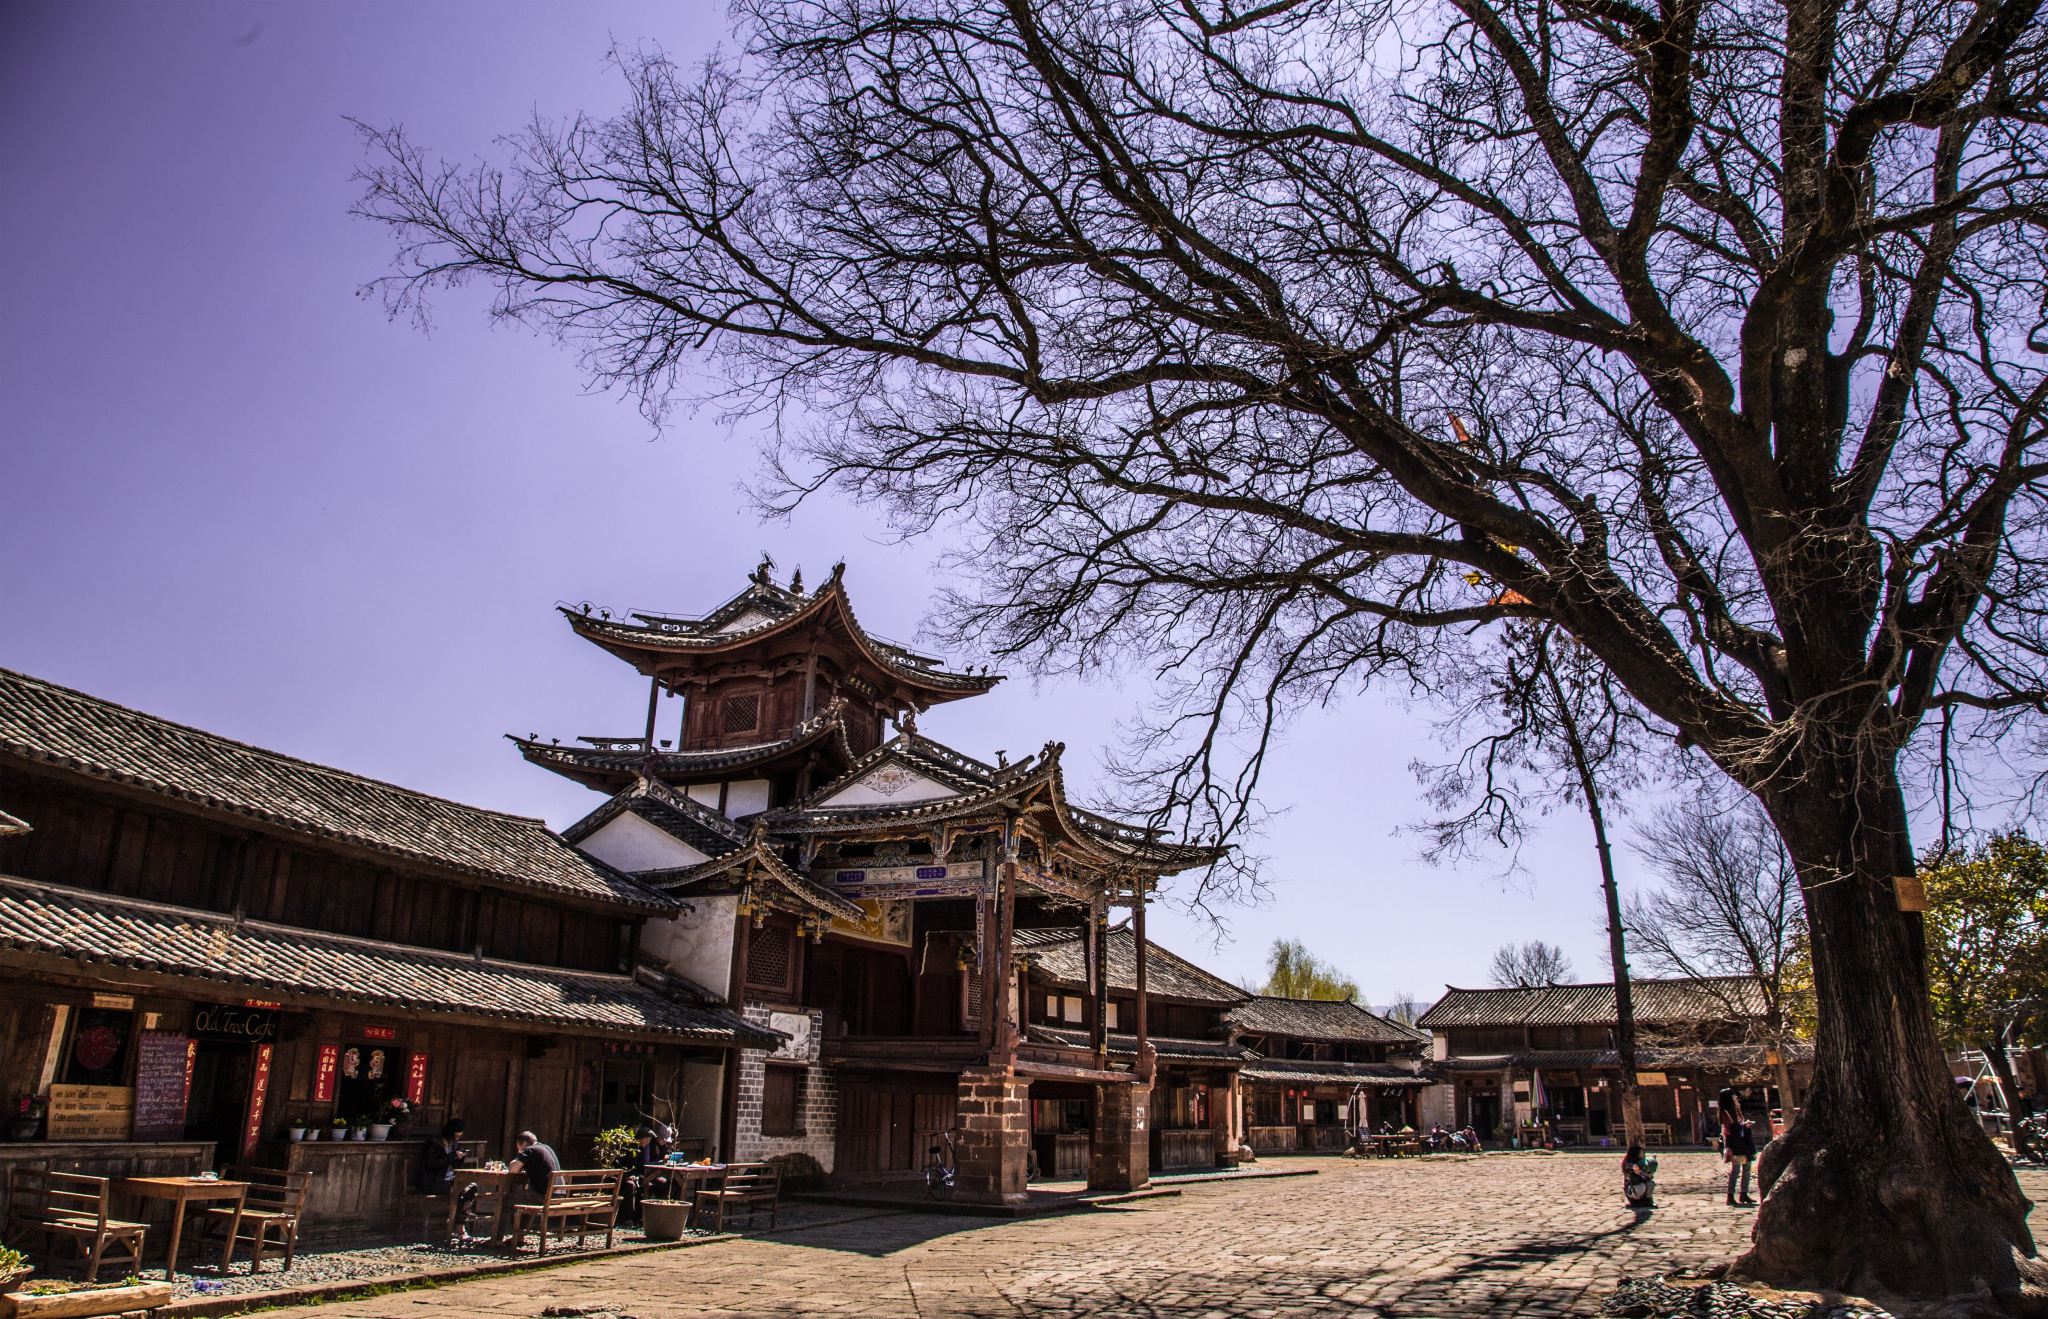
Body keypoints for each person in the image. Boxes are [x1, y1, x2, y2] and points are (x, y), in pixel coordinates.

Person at [417, 1119, 480, 1242]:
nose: (457, 1139)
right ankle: (460, 1227)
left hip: (449, 1179)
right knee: (460, 1191)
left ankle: (463, 1216)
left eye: (459, 1136)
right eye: (456, 1136)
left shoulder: (454, 1144)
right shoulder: (434, 1143)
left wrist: (460, 1157)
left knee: (472, 1186)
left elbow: (454, 1165)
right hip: (433, 1181)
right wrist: (452, 1156)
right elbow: (432, 1164)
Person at [1722, 1100, 1757, 1206]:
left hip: (1744, 1144)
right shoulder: (1726, 1113)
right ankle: (1730, 1195)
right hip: (1735, 1145)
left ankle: (1744, 1193)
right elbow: (1729, 1130)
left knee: (1747, 1168)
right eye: (1733, 1097)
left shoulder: (1738, 1113)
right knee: (1736, 1170)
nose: (1736, 1100)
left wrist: (1744, 1126)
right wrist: (1743, 1126)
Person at [510, 1130, 561, 1201]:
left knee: (509, 1199)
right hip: (559, 1195)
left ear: (524, 1143)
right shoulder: (547, 1148)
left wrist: (519, 1155)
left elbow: (512, 1169)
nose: (519, 1151)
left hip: (544, 1196)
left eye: (518, 1147)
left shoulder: (530, 1150)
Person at [1622, 1143, 1657, 1208]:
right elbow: (1637, 1170)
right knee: (1641, 1186)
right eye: (1641, 1153)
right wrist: (1646, 1174)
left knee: (1650, 1183)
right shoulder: (1629, 1164)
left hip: (1641, 1186)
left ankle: (1648, 1202)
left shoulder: (1641, 1163)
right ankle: (1634, 1202)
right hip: (1633, 1187)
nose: (1643, 1155)